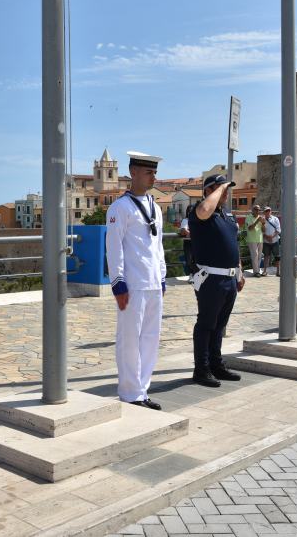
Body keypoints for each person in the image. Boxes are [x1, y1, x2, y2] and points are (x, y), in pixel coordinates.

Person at [105, 151, 167, 410]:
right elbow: (114, 246)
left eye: (154, 172)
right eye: (148, 172)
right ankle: (130, 393)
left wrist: (162, 276)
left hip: (153, 283)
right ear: (133, 173)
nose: (153, 176)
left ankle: (142, 389)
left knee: (151, 338)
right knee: (130, 339)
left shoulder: (156, 206)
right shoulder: (120, 207)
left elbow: (158, 246)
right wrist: (118, 282)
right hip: (132, 284)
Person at [188, 174, 245, 387]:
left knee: (220, 325)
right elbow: (204, 211)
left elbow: (233, 244)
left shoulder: (226, 216)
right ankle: (201, 369)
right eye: (222, 188)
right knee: (206, 324)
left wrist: (239, 271)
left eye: (226, 189)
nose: (226, 192)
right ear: (209, 190)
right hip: (210, 278)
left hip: (229, 278)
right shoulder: (200, 212)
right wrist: (218, 189)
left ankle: (215, 364)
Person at [243, 204, 264, 277]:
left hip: (260, 239)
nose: (258, 211)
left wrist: (263, 224)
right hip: (252, 239)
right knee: (255, 255)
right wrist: (257, 221)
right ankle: (256, 272)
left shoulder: (260, 218)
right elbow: (250, 228)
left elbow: (263, 230)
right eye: (256, 209)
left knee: (259, 256)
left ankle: (257, 270)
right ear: (253, 210)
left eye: (259, 210)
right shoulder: (249, 217)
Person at [261, 207, 281, 277]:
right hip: (266, 241)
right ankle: (265, 271)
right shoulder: (262, 219)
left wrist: (271, 236)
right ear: (264, 212)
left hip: (275, 240)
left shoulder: (275, 219)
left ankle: (278, 271)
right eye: (266, 211)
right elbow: (261, 230)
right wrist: (267, 237)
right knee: (266, 256)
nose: (268, 212)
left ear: (271, 211)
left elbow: (278, 230)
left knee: (277, 257)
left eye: (269, 211)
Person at [179, 204, 197, 275]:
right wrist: (194, 234)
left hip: (196, 242)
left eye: (192, 211)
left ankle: (195, 275)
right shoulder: (185, 220)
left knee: (196, 260)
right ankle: (191, 275)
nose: (191, 212)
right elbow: (184, 230)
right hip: (188, 243)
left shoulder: (197, 220)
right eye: (190, 211)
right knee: (189, 260)